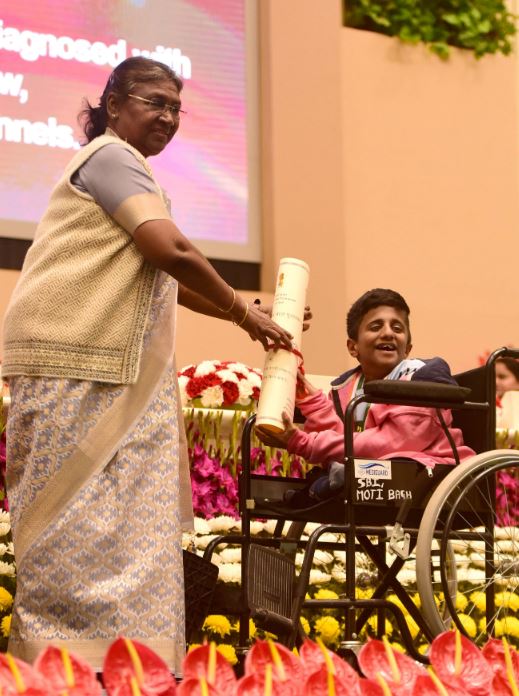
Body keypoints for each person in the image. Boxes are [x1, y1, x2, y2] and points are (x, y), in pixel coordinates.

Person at [1, 57, 294, 673]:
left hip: (100, 370)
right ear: (112, 105)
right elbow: (171, 250)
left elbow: (165, 275)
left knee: (121, 531)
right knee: (72, 526)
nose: (168, 117)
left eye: (177, 108)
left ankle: (126, 666)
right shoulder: (110, 157)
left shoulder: (128, 170)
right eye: (155, 101)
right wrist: (246, 316)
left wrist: (254, 310)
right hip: (75, 366)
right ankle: (64, 669)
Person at [257, 288, 475, 502]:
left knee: (350, 473)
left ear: (407, 348)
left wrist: (305, 444)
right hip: (377, 472)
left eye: (397, 328)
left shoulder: (422, 378)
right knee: (344, 471)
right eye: (376, 326)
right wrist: (312, 402)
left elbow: (387, 444)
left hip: (428, 471)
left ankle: (329, 486)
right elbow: (349, 440)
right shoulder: (349, 387)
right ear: (353, 347)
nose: (388, 332)